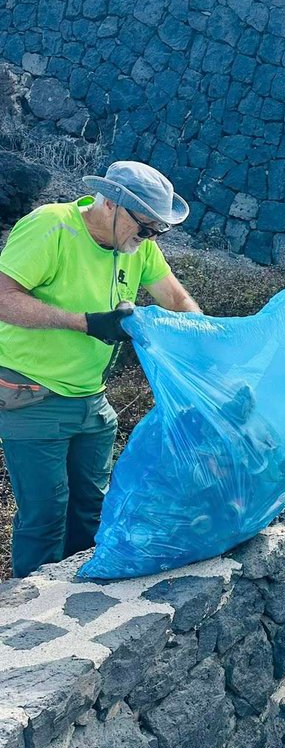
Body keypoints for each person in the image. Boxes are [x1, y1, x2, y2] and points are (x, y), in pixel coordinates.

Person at [0, 161, 201, 578]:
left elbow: (179, 303)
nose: (147, 238)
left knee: (93, 510)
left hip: (90, 398)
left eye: (156, 232)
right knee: (45, 517)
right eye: (143, 227)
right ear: (108, 203)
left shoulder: (137, 244)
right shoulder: (52, 227)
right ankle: (28, 624)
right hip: (31, 394)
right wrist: (86, 322)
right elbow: (3, 298)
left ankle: (76, 598)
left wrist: (210, 351)